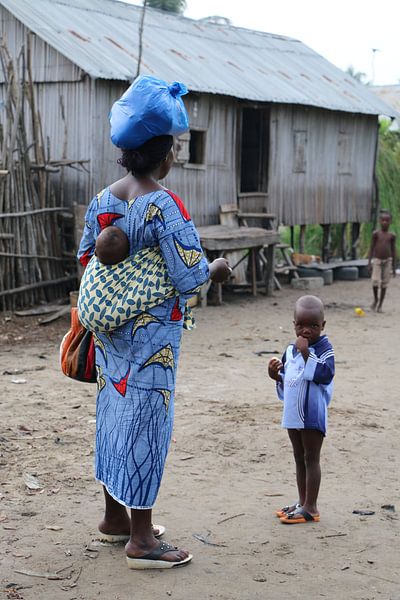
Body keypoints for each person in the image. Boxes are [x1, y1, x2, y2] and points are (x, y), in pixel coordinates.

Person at [77, 76, 231, 570]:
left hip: (110, 337)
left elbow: (86, 261)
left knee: (113, 417)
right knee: (146, 422)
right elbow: (189, 279)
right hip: (152, 342)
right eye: (176, 148)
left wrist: (124, 280)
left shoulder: (103, 201)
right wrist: (216, 269)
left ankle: (114, 517)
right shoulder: (164, 204)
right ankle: (141, 540)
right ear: (163, 154)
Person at [267, 295, 335, 524]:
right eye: (301, 325)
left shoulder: (325, 348)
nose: (306, 331)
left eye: (313, 326)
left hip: (312, 413)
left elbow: (325, 375)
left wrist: (307, 353)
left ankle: (311, 507)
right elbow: (290, 379)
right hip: (293, 411)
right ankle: (302, 501)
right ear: (294, 324)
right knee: (298, 457)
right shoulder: (290, 349)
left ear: (322, 326)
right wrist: (276, 375)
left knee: (311, 457)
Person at [368, 210, 396, 313]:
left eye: (387, 220)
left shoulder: (391, 236)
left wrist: (394, 266)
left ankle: (380, 305)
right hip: (377, 260)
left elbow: (393, 251)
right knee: (375, 281)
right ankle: (376, 299)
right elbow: (371, 248)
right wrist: (369, 262)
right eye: (383, 220)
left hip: (388, 261)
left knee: (384, 284)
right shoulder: (376, 234)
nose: (385, 222)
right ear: (380, 221)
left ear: (390, 222)